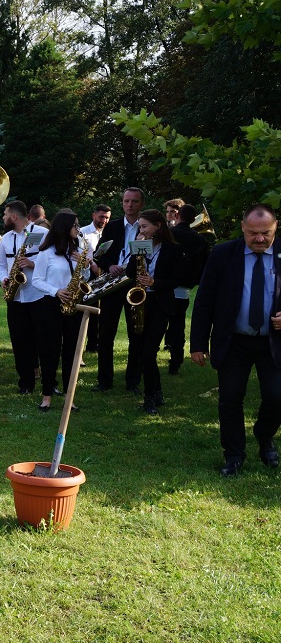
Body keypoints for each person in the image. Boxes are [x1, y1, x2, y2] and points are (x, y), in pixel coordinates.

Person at [190, 203, 281, 477]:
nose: (260, 239)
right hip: (233, 341)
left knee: (277, 397)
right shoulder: (222, 254)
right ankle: (234, 455)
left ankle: (264, 437)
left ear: (275, 228)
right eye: (253, 233)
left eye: (266, 233)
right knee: (230, 399)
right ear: (243, 227)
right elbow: (204, 300)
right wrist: (197, 343)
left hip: (273, 342)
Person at [31, 209, 91, 411]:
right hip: (50, 306)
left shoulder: (77, 251)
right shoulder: (46, 253)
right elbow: (36, 280)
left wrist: (85, 265)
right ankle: (46, 395)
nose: (78, 228)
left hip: (73, 305)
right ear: (64, 227)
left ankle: (69, 396)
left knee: (72, 353)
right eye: (75, 225)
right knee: (50, 351)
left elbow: (85, 277)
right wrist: (56, 291)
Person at [128, 209, 187, 414]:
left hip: (160, 303)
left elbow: (177, 279)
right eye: (140, 227)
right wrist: (135, 251)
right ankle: (158, 391)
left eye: (144, 226)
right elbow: (129, 273)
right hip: (141, 302)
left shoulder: (172, 249)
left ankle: (149, 397)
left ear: (158, 226)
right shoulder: (141, 245)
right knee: (143, 351)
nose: (141, 230)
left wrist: (155, 282)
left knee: (148, 352)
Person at [0, 200, 49, 394]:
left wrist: (33, 263)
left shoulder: (42, 234)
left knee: (43, 340)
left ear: (14, 217)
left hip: (38, 295)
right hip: (15, 297)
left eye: (5, 214)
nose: (3, 217)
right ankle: (25, 382)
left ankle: (49, 383)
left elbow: (53, 259)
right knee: (19, 341)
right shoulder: (6, 238)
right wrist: (4, 278)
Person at [93, 187, 145, 393]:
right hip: (113, 286)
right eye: (126, 201)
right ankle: (104, 381)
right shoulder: (112, 227)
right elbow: (99, 255)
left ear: (141, 204)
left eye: (134, 201)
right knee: (105, 335)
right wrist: (110, 265)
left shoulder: (147, 227)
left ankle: (133, 382)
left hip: (135, 286)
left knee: (136, 335)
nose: (129, 205)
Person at [165, 203, 210, 374]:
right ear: (193, 219)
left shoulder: (169, 234)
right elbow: (206, 264)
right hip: (184, 289)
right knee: (178, 327)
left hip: (164, 285)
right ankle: (175, 364)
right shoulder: (200, 239)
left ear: (177, 216)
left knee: (158, 325)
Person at [79, 204, 111, 351]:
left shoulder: (109, 232)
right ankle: (88, 342)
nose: (104, 220)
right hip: (88, 275)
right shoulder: (83, 232)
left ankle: (94, 343)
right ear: (93, 215)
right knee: (89, 309)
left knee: (102, 311)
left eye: (107, 218)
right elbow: (81, 253)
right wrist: (92, 264)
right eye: (101, 217)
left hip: (104, 274)